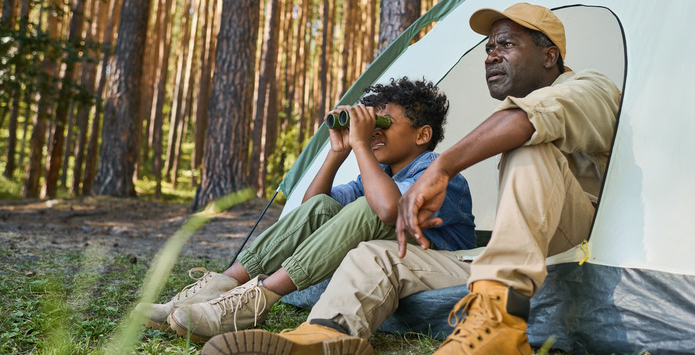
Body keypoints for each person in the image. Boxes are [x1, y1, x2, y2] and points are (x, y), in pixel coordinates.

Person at [200, 2, 621, 355]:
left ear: (550, 56)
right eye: (488, 48)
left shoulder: (589, 87)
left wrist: (440, 167)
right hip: (504, 252)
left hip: (579, 244)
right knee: (373, 253)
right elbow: (321, 205)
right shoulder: (399, 163)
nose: (490, 55)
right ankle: (325, 334)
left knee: (529, 141)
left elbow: (527, 121)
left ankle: (499, 322)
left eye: (506, 45)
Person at [136, 77, 475, 342]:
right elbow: (313, 208)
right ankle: (222, 287)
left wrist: (360, 144)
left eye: (383, 123)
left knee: (366, 208)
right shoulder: (380, 175)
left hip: (440, 263)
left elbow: (387, 210)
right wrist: (337, 152)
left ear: (422, 135)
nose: (373, 131)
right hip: (395, 253)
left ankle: (255, 301)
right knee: (327, 205)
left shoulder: (439, 171)